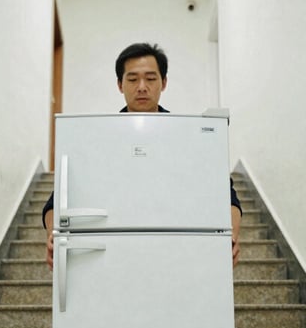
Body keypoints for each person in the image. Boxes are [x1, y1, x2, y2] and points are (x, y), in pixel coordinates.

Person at [43, 42, 242, 268]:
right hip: (108, 258)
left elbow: (227, 195)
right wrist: (53, 234)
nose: (141, 87)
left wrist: (231, 236)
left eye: (150, 78)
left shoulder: (188, 133)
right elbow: (55, 202)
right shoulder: (99, 136)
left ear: (163, 83)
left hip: (180, 253)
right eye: (132, 79)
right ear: (120, 84)